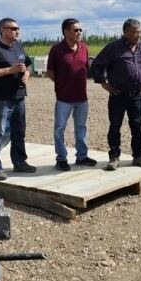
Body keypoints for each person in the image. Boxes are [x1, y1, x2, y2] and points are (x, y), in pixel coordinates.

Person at [91, 18, 141, 171]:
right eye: (134, 32)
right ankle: (114, 157)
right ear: (125, 32)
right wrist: (103, 83)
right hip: (118, 95)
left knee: (137, 126)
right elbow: (96, 65)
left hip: (137, 96)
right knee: (115, 126)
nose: (138, 35)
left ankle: (138, 156)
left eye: (139, 32)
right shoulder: (114, 48)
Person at [0, 18, 37, 180]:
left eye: (18, 28)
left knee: (19, 132)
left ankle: (19, 162)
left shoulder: (18, 46)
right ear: (3, 30)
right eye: (14, 28)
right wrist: (9, 70)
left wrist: (27, 74)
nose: (17, 31)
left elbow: (28, 65)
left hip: (19, 96)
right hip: (1, 98)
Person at [47, 18, 97, 171]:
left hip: (82, 98)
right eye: (76, 30)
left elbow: (86, 69)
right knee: (59, 129)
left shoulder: (83, 48)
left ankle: (81, 157)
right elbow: (50, 72)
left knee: (81, 128)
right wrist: (63, 84)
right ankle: (61, 158)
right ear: (65, 31)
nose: (79, 32)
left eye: (80, 30)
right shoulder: (56, 50)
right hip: (63, 99)